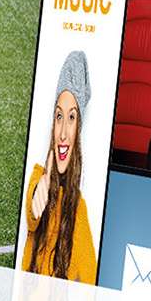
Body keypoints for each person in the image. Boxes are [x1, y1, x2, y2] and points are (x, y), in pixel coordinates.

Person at [23, 50, 99, 285]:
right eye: (59, 116)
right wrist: (39, 195)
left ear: (79, 129)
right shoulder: (38, 176)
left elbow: (91, 283)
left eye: (72, 117)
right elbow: (32, 211)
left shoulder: (79, 210)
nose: (63, 132)